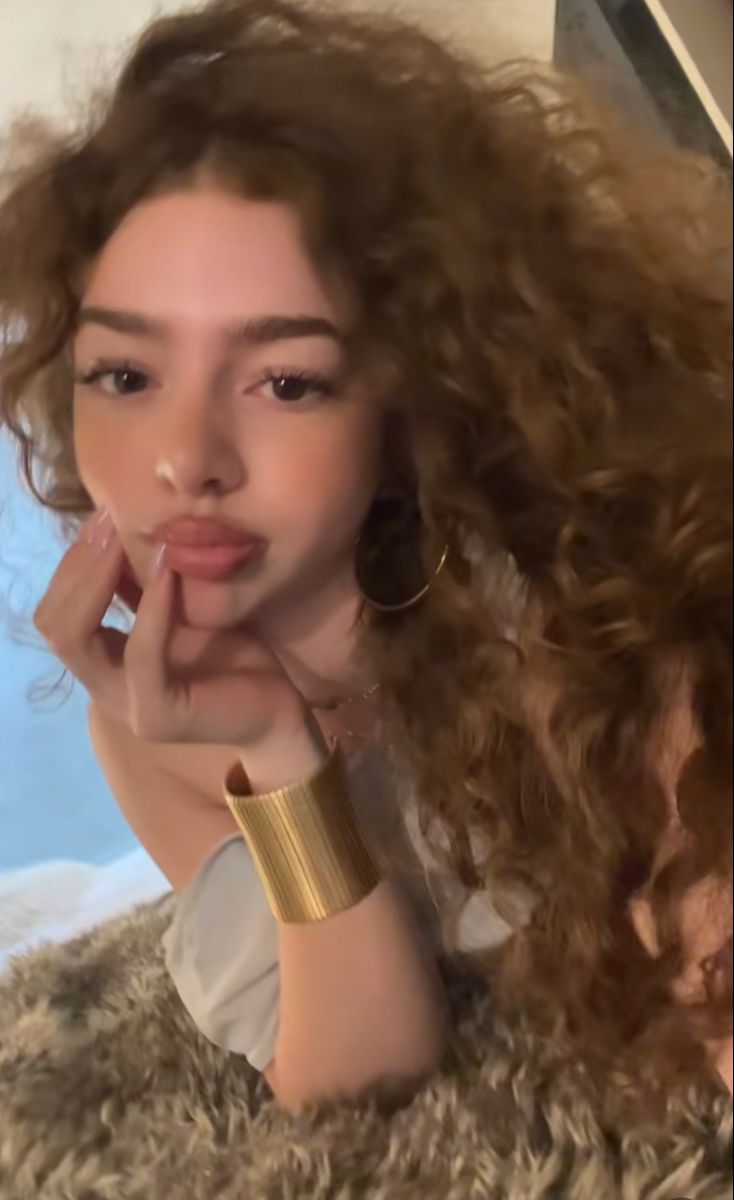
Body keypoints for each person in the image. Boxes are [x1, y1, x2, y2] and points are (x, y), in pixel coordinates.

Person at [1, 0, 731, 1118]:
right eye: (126, 377)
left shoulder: (561, 592)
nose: (184, 462)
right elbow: (354, 1077)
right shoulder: (153, 724)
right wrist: (276, 754)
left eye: (285, 381)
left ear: (403, 400)